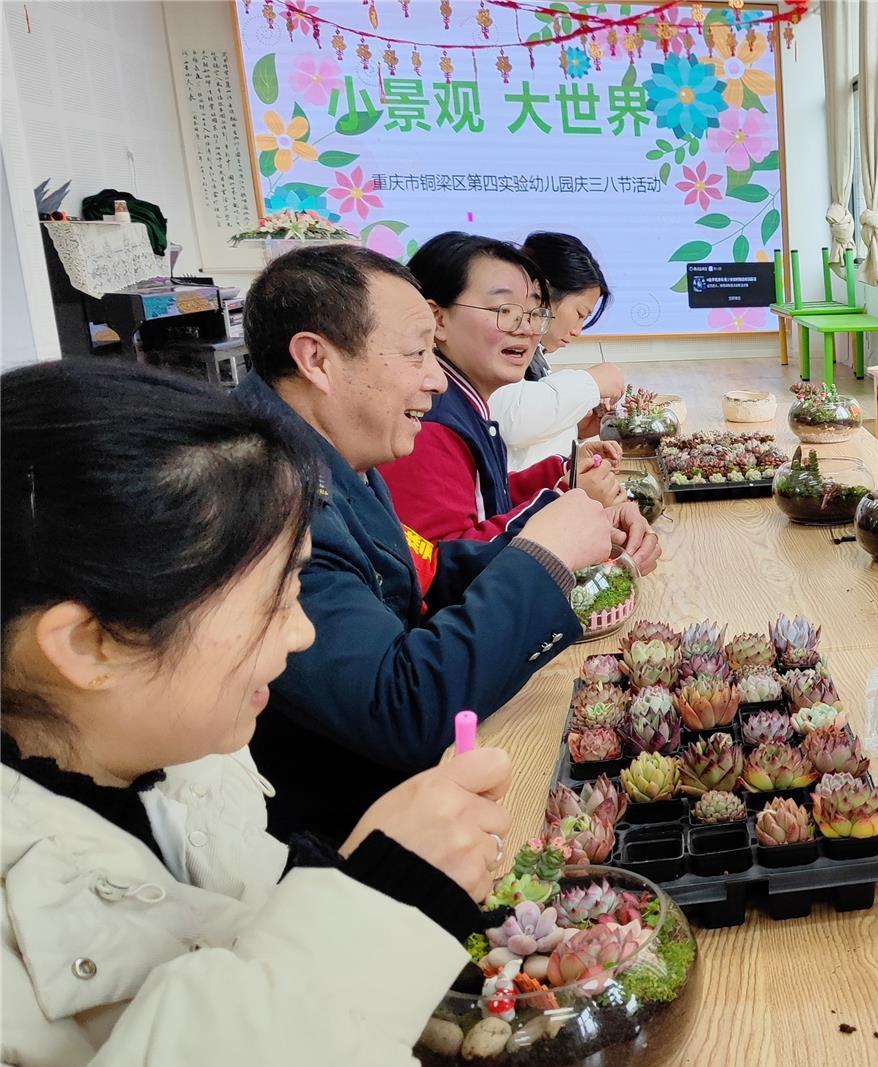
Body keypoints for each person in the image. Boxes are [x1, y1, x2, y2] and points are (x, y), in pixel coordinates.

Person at [1, 361, 518, 1067]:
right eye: (273, 599)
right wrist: (382, 901)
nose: (303, 634)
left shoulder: (194, 760)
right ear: (90, 645)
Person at [234, 244, 660, 844]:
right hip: (347, 839)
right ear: (317, 360)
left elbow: (419, 569)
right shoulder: (267, 503)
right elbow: (403, 708)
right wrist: (542, 559)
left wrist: (565, 545)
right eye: (416, 354)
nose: (435, 379)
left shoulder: (334, 455)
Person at [379, 231, 624, 542]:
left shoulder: (464, 403)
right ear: (437, 319)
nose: (526, 329)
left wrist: (562, 474)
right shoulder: (427, 423)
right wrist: (564, 497)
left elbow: (489, 499)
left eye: (535, 314)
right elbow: (447, 565)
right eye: (504, 311)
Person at [491, 231, 628, 471]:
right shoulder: (495, 342)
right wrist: (593, 382)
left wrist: (573, 427)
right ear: (541, 293)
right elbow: (514, 421)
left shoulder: (533, 354)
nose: (578, 330)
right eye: (579, 314)